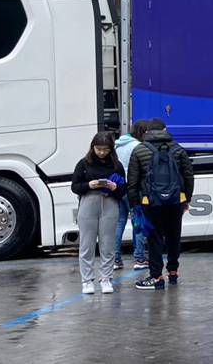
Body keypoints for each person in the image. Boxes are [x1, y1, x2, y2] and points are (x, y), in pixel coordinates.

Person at [127, 118, 194, 292]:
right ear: (165, 129)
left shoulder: (139, 150)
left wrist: (134, 205)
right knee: (174, 237)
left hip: (150, 202)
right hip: (175, 201)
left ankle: (156, 277)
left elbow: (132, 181)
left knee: (154, 238)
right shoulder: (178, 149)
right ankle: (173, 271)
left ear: (146, 132)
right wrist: (186, 199)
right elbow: (188, 176)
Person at [72, 131, 126, 295]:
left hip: (110, 203)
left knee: (107, 244)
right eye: (98, 149)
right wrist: (89, 184)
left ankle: (106, 279)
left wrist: (115, 188)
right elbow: (75, 186)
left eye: (105, 149)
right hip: (88, 202)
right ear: (92, 148)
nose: (102, 152)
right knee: (86, 244)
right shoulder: (83, 164)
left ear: (111, 149)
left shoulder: (117, 165)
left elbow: (124, 189)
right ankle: (87, 281)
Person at [113, 120, 148, 271]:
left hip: (119, 188)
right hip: (133, 188)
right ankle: (139, 258)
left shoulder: (117, 145)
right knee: (137, 221)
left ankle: (115, 259)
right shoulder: (137, 146)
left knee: (120, 222)